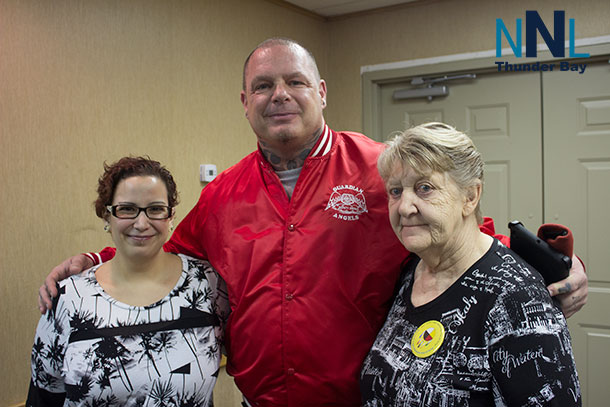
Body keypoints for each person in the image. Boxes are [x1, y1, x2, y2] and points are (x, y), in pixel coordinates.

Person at [38, 39, 587, 406]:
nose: (279, 95)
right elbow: (167, 257)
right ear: (245, 102)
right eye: (263, 85)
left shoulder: (380, 169)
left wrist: (554, 268)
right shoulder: (223, 194)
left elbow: (466, 235)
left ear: (321, 93)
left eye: (295, 82)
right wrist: (95, 263)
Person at [360, 123, 581, 406]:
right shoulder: (411, 271)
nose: (404, 207)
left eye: (424, 188)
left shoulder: (515, 298)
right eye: (395, 191)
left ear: (470, 196)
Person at [28, 157, 229, 406]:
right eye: (127, 209)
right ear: (106, 216)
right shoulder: (68, 299)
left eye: (155, 209)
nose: (141, 223)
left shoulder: (206, 285)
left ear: (171, 216)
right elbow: (44, 397)